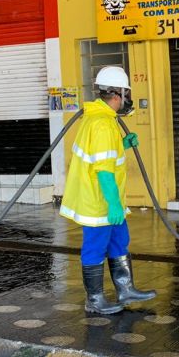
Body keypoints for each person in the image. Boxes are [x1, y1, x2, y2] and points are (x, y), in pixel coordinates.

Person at [60, 66, 155, 314]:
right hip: (98, 202)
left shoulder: (105, 119)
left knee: (119, 242)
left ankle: (125, 289)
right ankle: (94, 300)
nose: (129, 99)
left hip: (110, 200)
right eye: (127, 93)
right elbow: (103, 170)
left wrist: (122, 144)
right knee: (95, 247)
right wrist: (113, 204)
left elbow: (102, 155)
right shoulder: (101, 123)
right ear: (118, 93)